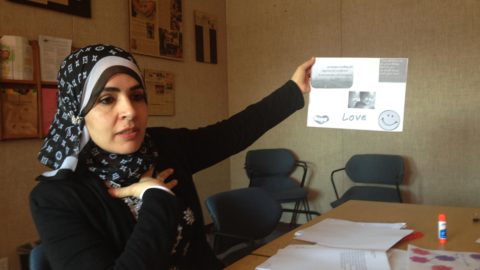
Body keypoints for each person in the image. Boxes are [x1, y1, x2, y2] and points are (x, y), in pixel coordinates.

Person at [30, 43, 314, 270]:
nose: (129, 111)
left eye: (137, 95)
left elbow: (232, 133)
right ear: (77, 113)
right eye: (107, 99)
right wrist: (157, 196)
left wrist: (293, 91)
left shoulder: (163, 146)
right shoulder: (55, 198)